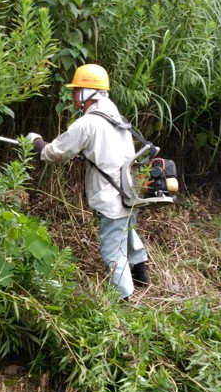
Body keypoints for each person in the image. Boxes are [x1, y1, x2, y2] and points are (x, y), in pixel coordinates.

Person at [28, 63, 150, 300]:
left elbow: (56, 153)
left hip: (111, 194)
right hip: (128, 190)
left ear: (88, 93)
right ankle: (140, 271)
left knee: (111, 249)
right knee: (126, 228)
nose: (73, 96)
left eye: (76, 91)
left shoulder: (88, 123)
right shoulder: (115, 115)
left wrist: (37, 143)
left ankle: (123, 299)